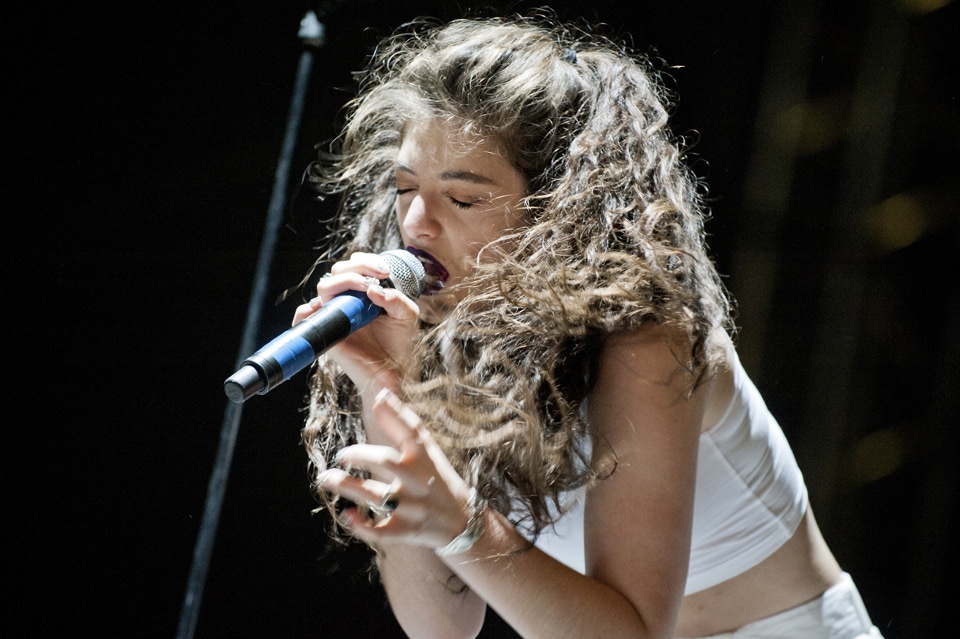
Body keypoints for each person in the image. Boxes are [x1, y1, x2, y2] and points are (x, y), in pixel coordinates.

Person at [292, 13, 885, 639]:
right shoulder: (437, 335)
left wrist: (460, 521)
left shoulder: (647, 341)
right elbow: (442, 628)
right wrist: (390, 384)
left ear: (558, 211)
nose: (415, 225)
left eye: (462, 199)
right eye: (405, 188)